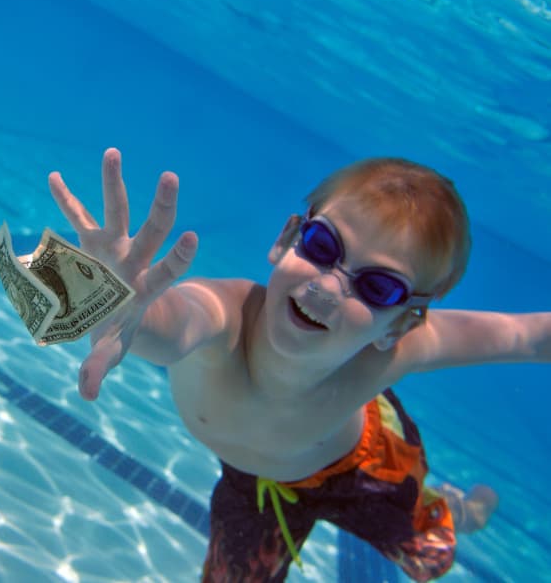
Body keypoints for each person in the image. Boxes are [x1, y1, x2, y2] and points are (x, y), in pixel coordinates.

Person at [46, 148, 545, 582]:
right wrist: (121, 303)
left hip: (364, 469)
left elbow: (523, 336)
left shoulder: (398, 350)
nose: (327, 287)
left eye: (377, 287)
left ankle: (468, 508)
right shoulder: (228, 318)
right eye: (323, 247)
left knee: (429, 560)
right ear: (287, 239)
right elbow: (174, 320)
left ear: (399, 324)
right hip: (253, 484)